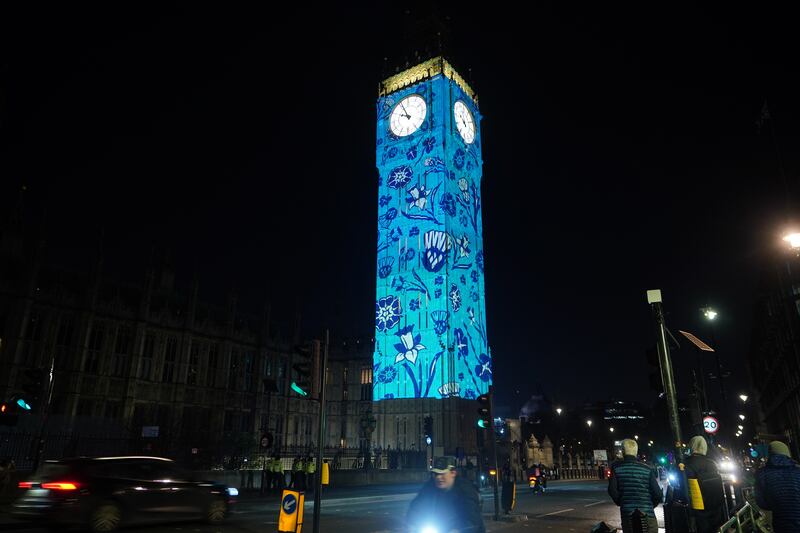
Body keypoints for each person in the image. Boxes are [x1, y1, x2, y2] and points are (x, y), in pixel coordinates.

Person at [407, 456, 485, 533]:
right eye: (436, 474)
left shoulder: (465, 490)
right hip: (440, 527)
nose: (438, 477)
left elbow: (472, 518)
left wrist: (459, 530)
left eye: (442, 473)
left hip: (464, 529)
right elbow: (416, 505)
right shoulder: (430, 487)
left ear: (453, 473)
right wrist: (411, 524)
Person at [608, 438, 663, 532]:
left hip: (628, 517)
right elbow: (658, 494)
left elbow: (612, 490)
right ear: (636, 452)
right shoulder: (647, 469)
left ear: (623, 452)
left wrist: (622, 502)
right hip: (648, 517)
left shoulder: (617, 468)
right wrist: (649, 506)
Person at [756, 440, 800, 532]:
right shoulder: (798, 471)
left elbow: (762, 503)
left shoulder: (763, 474)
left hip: (782, 526)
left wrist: (778, 504)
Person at [684, 435, 725, 533]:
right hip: (716, 508)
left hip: (698, 512)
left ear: (692, 446)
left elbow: (684, 490)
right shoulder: (712, 463)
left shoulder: (687, 464)